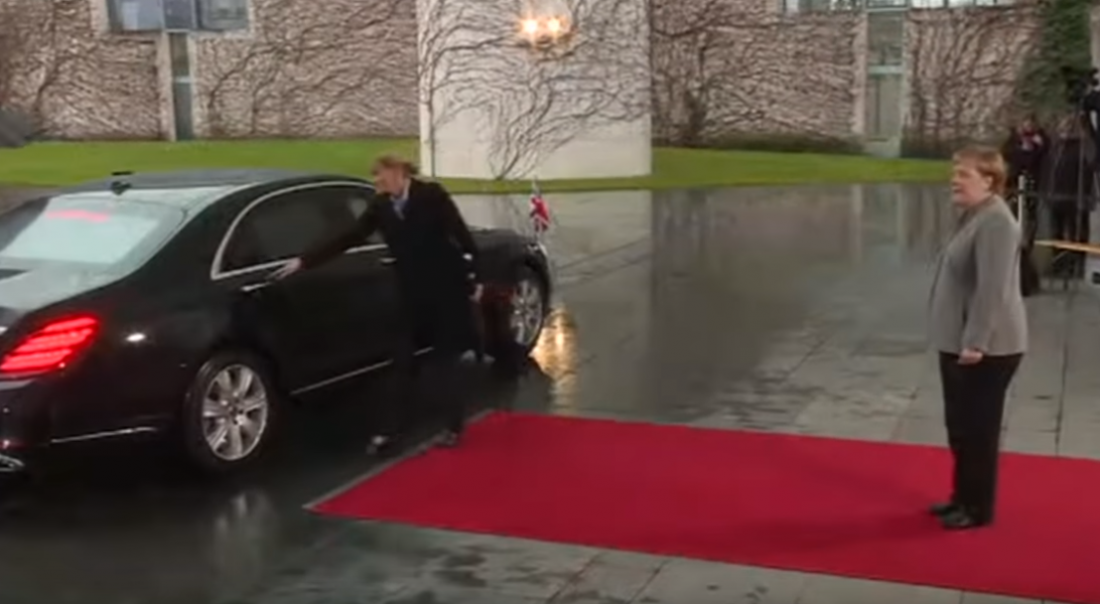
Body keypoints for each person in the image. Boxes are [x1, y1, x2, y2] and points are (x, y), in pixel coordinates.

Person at [272, 155, 482, 455]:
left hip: (444, 291)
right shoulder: (381, 205)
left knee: (444, 362)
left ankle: (453, 426)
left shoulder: (431, 196)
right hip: (410, 294)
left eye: (381, 176)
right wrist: (305, 261)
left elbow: (461, 235)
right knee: (401, 361)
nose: (377, 182)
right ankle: (389, 432)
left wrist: (476, 277)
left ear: (398, 172)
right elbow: (351, 235)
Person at [928, 145, 1027, 530]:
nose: (954, 180)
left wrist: (976, 342)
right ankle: (962, 497)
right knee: (960, 427)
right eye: (954, 172)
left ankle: (977, 508)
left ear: (989, 180)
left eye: (963, 174)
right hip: (959, 341)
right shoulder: (974, 215)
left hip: (987, 349)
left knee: (977, 431)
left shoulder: (997, 223)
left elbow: (992, 289)